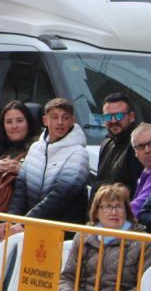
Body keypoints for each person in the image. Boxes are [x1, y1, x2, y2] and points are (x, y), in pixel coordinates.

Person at [56, 184, 149, 291]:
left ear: (127, 211)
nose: (114, 212)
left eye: (119, 206)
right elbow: (67, 275)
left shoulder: (143, 241)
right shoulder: (84, 235)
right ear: (96, 212)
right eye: (107, 207)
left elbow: (146, 288)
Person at [6, 98, 90, 232]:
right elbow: (20, 190)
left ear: (72, 121)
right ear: (45, 120)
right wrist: (11, 221)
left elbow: (61, 195)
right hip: (30, 228)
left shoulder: (79, 153)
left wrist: (25, 223)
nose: (60, 122)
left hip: (61, 232)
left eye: (65, 117)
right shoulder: (35, 148)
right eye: (54, 117)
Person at [95, 92, 143, 195]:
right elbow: (98, 185)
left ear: (131, 117)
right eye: (108, 117)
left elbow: (138, 190)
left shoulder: (139, 145)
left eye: (119, 115)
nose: (113, 120)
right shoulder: (106, 144)